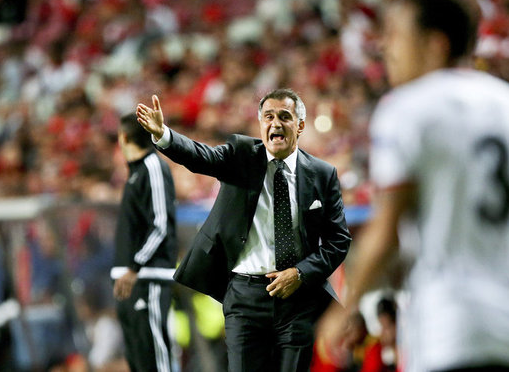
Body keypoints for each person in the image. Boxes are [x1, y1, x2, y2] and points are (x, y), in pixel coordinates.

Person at [317, 0, 509, 372]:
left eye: (396, 35)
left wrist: (346, 306)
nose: (385, 47)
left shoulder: (405, 109)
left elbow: (386, 231)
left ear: (435, 44)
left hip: (447, 324)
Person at [136, 88, 352, 372]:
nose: (275, 123)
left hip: (297, 298)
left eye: (284, 116)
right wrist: (164, 135)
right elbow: (200, 156)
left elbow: (338, 241)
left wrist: (300, 273)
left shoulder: (322, 174)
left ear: (300, 126)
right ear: (260, 123)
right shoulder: (241, 155)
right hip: (245, 297)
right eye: (268, 116)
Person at [111, 113, 177, 372]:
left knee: (155, 358)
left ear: (124, 137)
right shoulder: (136, 171)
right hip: (130, 278)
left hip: (147, 277)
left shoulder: (153, 166)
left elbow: (161, 224)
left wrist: (134, 266)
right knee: (138, 360)